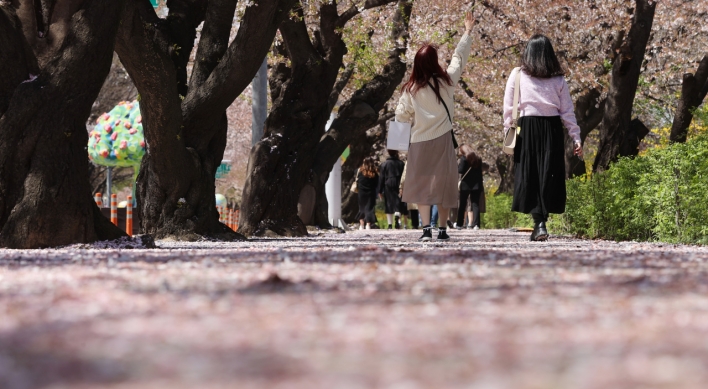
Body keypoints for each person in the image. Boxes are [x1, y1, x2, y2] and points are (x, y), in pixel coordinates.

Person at [396, 11, 475, 242]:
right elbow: (459, 59)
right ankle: (442, 229)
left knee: (421, 186)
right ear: (435, 61)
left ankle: (425, 230)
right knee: (442, 185)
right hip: (442, 141)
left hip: (419, 141)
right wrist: (467, 32)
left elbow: (401, 115)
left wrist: (402, 137)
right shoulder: (447, 82)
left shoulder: (410, 88)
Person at [503, 34, 583, 241]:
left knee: (531, 175)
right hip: (552, 128)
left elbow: (509, 108)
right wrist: (575, 136)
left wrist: (507, 132)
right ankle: (541, 223)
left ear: (528, 53)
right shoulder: (558, 79)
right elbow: (567, 111)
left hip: (528, 128)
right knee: (549, 174)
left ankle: (539, 222)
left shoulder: (517, 74)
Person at [456, 145, 484, 229]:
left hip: (466, 184)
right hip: (477, 184)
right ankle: (476, 224)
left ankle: (459, 224)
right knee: (475, 204)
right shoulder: (478, 158)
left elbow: (460, 170)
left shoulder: (464, 159)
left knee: (462, 204)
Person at [378, 150, 406, 229]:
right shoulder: (401, 163)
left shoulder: (384, 164)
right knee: (398, 201)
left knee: (389, 202)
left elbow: (381, 178)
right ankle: (397, 215)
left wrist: (380, 190)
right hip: (398, 183)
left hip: (388, 183)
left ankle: (390, 224)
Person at [356, 157, 379, 230]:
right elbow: (377, 183)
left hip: (361, 192)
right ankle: (368, 225)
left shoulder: (359, 171)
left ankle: (361, 225)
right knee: (369, 208)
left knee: (361, 208)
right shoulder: (374, 173)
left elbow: (357, 180)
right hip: (371, 193)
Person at [399, 162, 420, 229]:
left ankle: (415, 224)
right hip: (424, 184)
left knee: (414, 206)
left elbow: (404, 176)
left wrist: (401, 186)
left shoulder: (409, 161)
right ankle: (429, 223)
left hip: (412, 184)